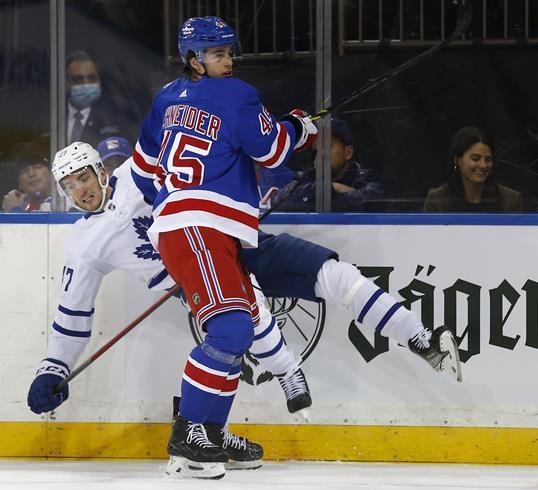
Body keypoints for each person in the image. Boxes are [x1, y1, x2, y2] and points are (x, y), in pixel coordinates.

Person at [129, 16, 461, 480]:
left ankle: (211, 433)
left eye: (230, 52)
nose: (229, 60)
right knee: (231, 330)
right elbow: (272, 149)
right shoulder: (238, 94)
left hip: (218, 232)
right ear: (194, 59)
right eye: (218, 54)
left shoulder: (165, 98)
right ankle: (188, 437)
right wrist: (301, 129)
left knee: (247, 323)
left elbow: (142, 171)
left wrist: (175, 203)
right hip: (202, 229)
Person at [27, 142, 312, 474]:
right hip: (185, 286)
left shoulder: (136, 173)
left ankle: (281, 375)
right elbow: (71, 317)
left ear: (101, 171)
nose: (80, 190)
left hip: (209, 251)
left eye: (83, 178)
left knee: (253, 320)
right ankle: (207, 435)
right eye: (69, 186)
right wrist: (52, 369)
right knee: (233, 338)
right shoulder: (83, 243)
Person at [270, 118, 385, 212]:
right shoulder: (308, 176)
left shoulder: (363, 177)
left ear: (348, 152)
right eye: (317, 148)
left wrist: (322, 195)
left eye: (327, 147)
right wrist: (330, 188)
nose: (321, 153)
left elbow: (373, 202)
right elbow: (277, 201)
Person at [424, 126, 524, 212]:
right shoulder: (437, 199)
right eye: (475, 159)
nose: (483, 165)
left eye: (488, 159)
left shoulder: (510, 200)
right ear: (457, 160)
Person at [66, 51, 128, 146]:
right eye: (78, 79)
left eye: (92, 78)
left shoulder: (116, 115)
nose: (86, 84)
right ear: (66, 83)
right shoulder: (52, 114)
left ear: (99, 80)